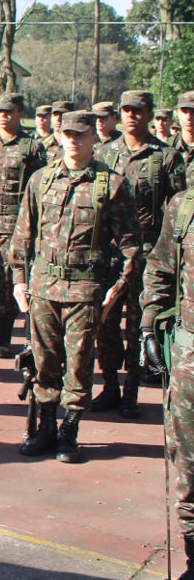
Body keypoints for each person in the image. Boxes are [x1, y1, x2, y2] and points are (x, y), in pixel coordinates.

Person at [10, 110, 141, 463]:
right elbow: (22, 237)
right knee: (43, 361)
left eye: (80, 134)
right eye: (67, 133)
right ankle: (47, 428)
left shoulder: (111, 185)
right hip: (44, 288)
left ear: (93, 139)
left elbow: (131, 246)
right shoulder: (41, 179)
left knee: (80, 362)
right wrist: (19, 282)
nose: (73, 140)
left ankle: (70, 429)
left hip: (86, 290)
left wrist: (117, 289)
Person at [93, 90, 185, 415]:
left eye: (138, 110)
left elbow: (177, 210)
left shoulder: (166, 156)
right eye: (126, 110)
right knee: (104, 323)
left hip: (146, 255)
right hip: (109, 254)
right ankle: (109, 386)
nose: (131, 115)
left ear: (149, 114)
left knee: (136, 326)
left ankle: (131, 392)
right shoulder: (103, 153)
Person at [139, 185, 194, 580]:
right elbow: (160, 267)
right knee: (188, 463)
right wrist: (148, 325)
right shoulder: (184, 203)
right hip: (189, 353)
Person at [0, 93, 45, 357]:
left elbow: (38, 189)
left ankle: (3, 337)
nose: (3, 116)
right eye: (0, 111)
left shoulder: (31, 147)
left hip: (14, 225)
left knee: (7, 283)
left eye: (9, 111)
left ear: (19, 113)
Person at [176, 91, 194, 189]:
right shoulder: (166, 148)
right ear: (178, 113)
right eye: (184, 111)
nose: (188, 117)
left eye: (193, 111)